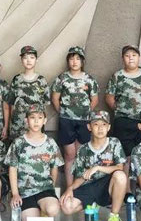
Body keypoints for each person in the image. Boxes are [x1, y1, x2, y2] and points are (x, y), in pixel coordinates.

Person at [105, 45, 141, 180]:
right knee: (125, 156)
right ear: (123, 58)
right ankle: (125, 188)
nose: (131, 58)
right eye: (127, 55)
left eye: (134, 55)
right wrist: (122, 109)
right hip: (123, 121)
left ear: (139, 57)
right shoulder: (117, 76)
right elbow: (109, 98)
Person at [60, 110, 127, 221]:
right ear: (89, 127)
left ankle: (114, 216)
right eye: (96, 124)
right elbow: (81, 177)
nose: (100, 128)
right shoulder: (83, 149)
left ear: (109, 127)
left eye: (104, 124)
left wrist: (97, 168)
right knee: (66, 206)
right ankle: (93, 205)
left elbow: (119, 167)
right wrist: (69, 189)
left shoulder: (114, 143)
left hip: (108, 186)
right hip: (89, 186)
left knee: (120, 176)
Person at [6, 104, 64, 221]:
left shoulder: (50, 143)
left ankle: (44, 210)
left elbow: (54, 167)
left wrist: (51, 186)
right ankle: (37, 212)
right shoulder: (18, 143)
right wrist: (15, 194)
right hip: (24, 191)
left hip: (45, 188)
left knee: (53, 209)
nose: (36, 121)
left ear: (45, 120)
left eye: (40, 117)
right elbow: (12, 169)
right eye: (32, 117)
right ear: (26, 121)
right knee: (30, 218)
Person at [51, 46, 99, 186]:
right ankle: (69, 188)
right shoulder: (62, 78)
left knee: (81, 155)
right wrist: (64, 113)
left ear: (82, 61)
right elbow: (55, 98)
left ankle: (80, 188)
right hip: (67, 121)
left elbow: (94, 99)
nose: (74, 62)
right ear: (68, 61)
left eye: (78, 59)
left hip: (84, 121)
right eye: (72, 59)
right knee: (69, 155)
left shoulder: (89, 79)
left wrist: (84, 112)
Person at [8, 45, 50, 141]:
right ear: (21, 60)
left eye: (32, 57)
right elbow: (11, 103)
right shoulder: (17, 79)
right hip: (18, 124)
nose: (28, 60)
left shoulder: (41, 80)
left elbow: (45, 104)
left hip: (36, 125)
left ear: (36, 60)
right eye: (25, 58)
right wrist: (12, 122)